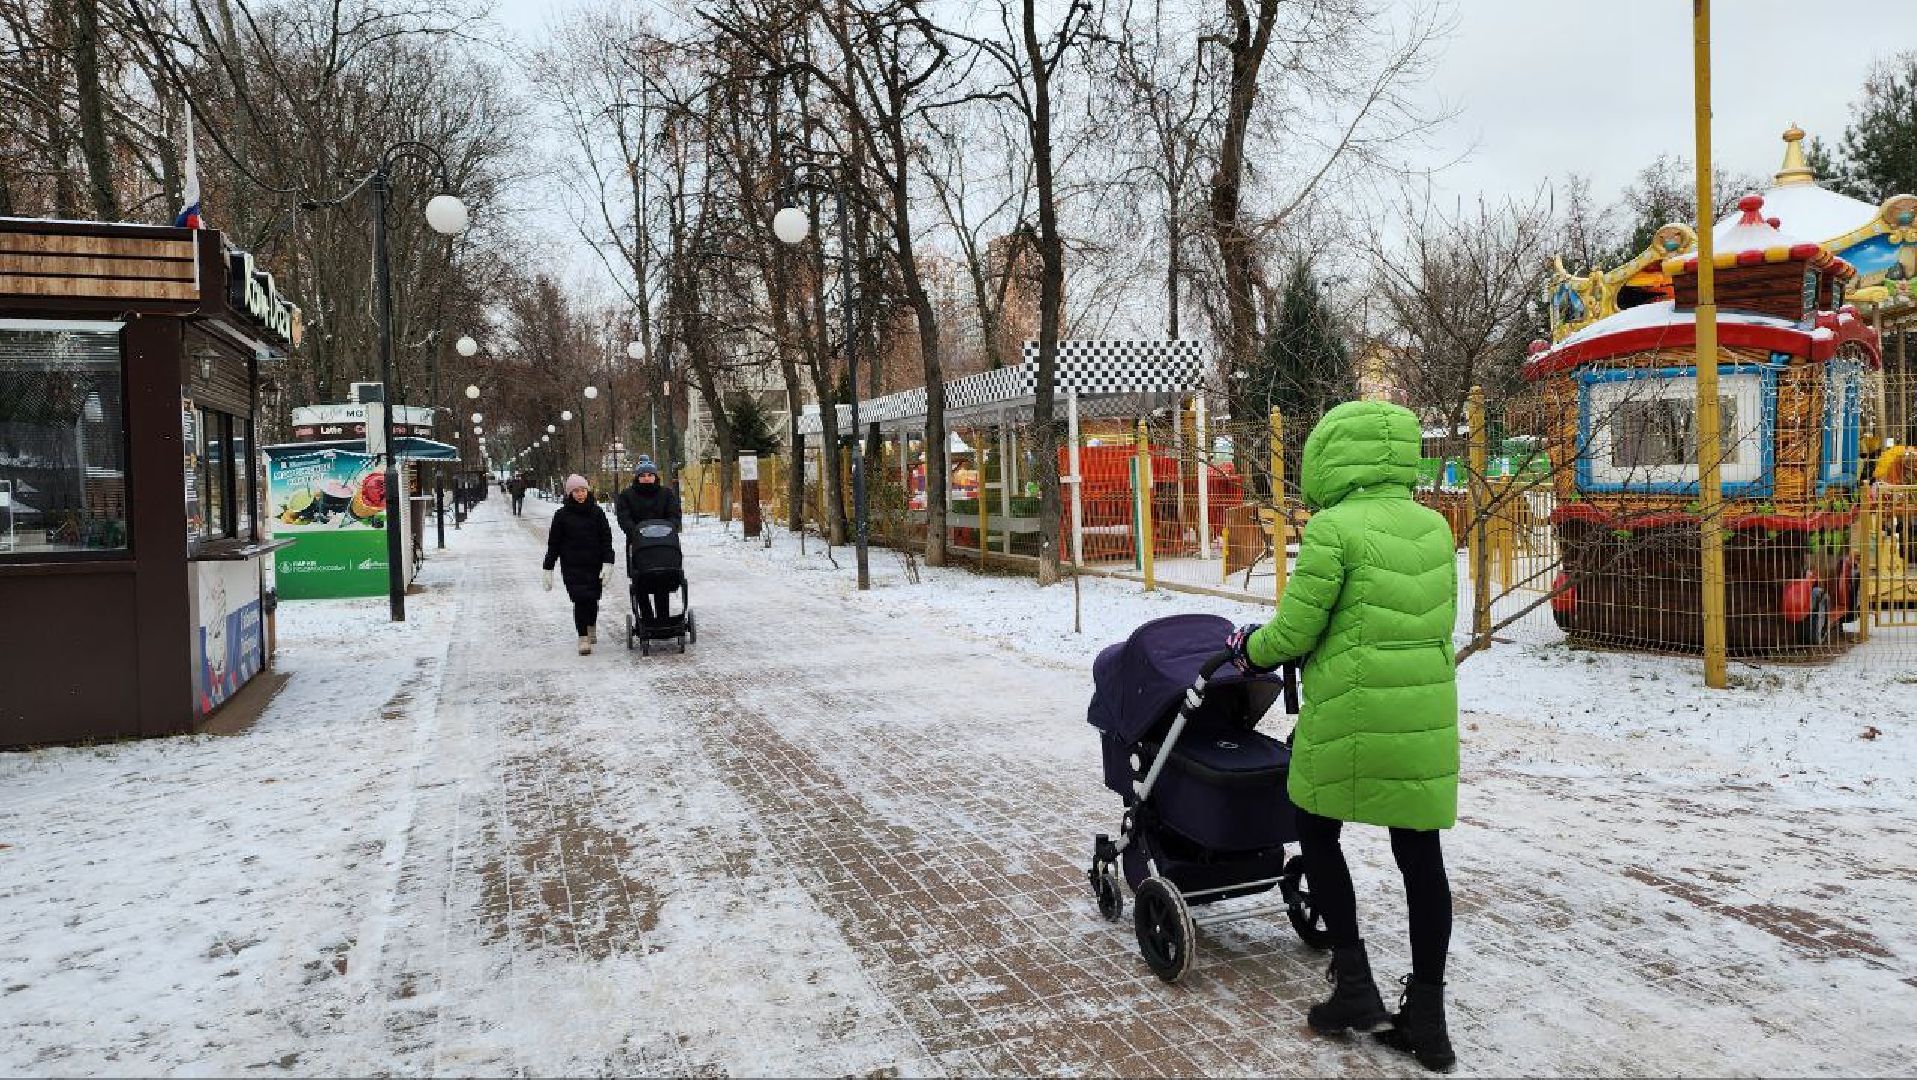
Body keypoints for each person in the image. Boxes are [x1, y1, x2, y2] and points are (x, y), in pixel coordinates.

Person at [1226, 400, 1459, 1073]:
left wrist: (1249, 650)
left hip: (1349, 712)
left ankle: (1354, 984)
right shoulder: (1434, 526)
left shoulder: (1333, 529)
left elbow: (1295, 632)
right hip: (1422, 715)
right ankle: (1428, 1021)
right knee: (1421, 857)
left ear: (1331, 456)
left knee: (1315, 829)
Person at [543, 474, 615, 655]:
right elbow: (554, 544)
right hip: (572, 565)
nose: (580, 494)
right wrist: (548, 567)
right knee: (580, 599)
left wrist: (608, 561)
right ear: (569, 494)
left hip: (594, 563)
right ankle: (583, 637)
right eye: (576, 491)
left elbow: (606, 539)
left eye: (583, 490)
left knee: (592, 599)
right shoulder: (561, 516)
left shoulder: (597, 513)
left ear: (587, 491)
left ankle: (591, 625)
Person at [615, 457, 683, 627]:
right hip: (639, 545)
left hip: (663, 545)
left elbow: (674, 515)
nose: (647, 478)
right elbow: (624, 517)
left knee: (662, 580)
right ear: (637, 477)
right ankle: (646, 618)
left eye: (650, 475)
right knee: (640, 582)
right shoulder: (627, 495)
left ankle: (663, 619)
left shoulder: (666, 494)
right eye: (643, 475)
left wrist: (669, 528)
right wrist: (635, 532)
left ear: (655, 476)